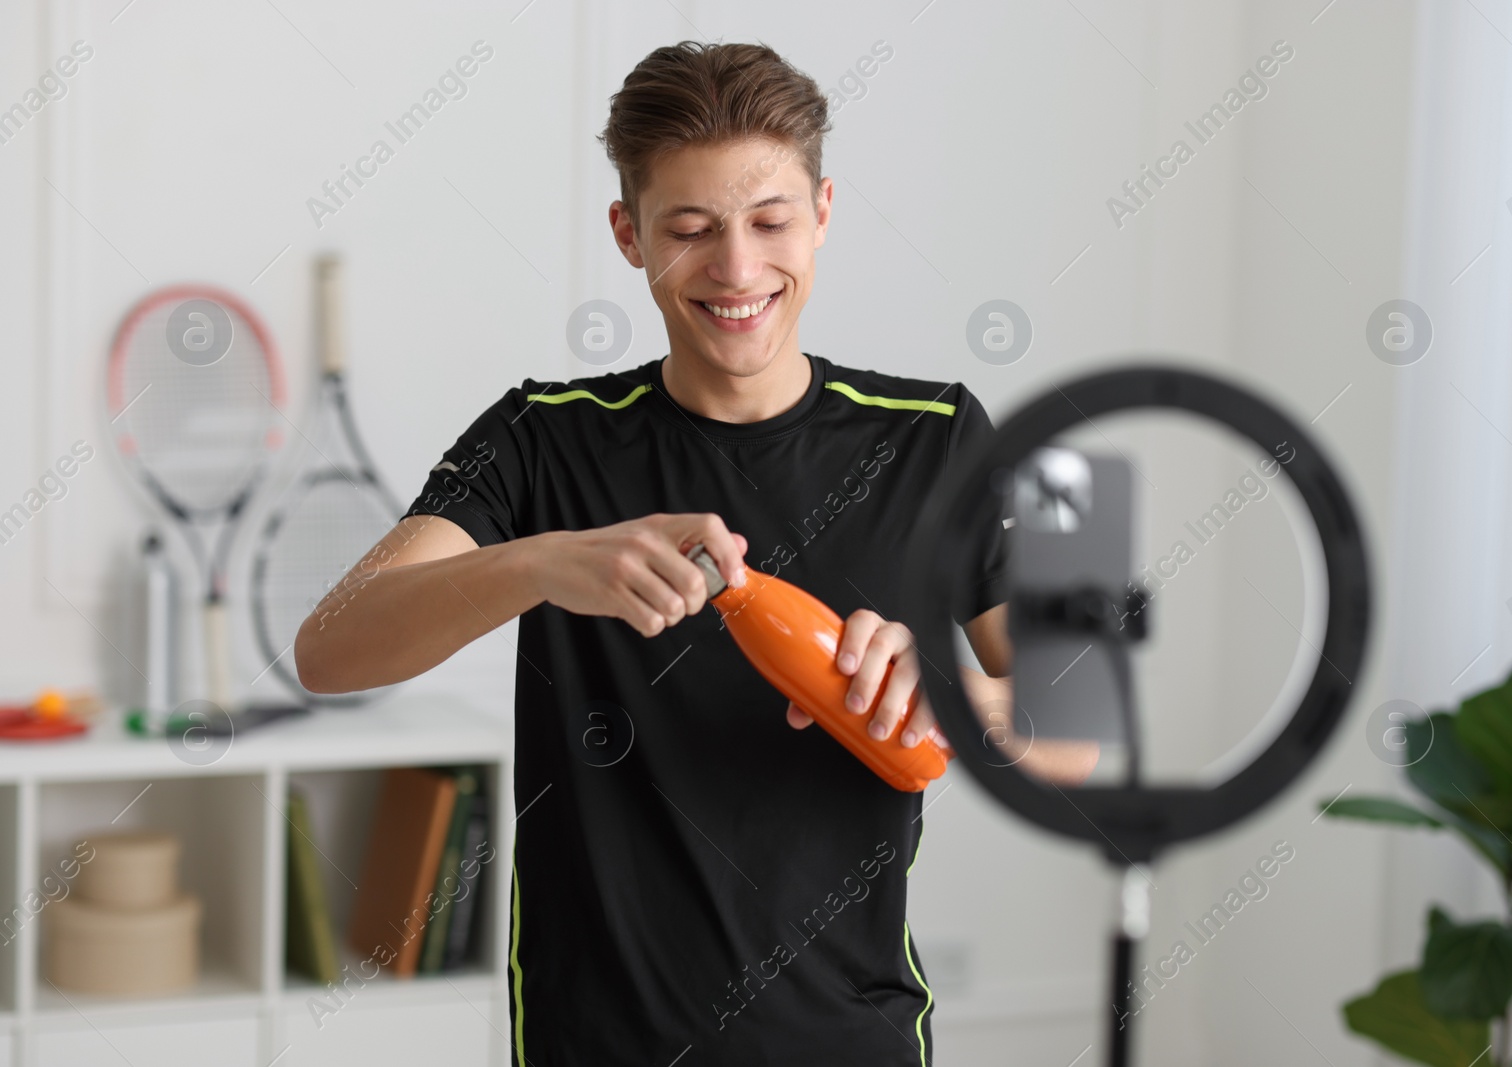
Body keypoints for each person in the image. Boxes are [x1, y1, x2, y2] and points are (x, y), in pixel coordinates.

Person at [295, 40, 1093, 1067]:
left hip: (854, 1039)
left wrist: (953, 693)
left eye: (770, 222)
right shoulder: (541, 437)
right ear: (628, 234)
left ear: (824, 211)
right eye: (690, 228)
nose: (737, 269)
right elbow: (327, 649)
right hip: (595, 1044)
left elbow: (1089, 726)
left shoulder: (940, 432)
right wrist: (540, 562)